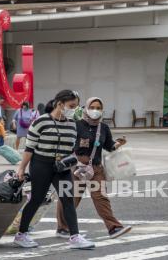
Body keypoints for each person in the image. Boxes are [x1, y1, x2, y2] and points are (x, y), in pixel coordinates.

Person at [14, 89, 95, 249]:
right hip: (41, 164)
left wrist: (75, 164)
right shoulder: (40, 122)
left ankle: (75, 237)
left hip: (62, 167)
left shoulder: (72, 125)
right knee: (36, 199)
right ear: (60, 104)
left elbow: (71, 149)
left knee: (68, 199)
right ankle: (21, 235)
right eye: (71, 106)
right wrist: (21, 168)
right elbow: (29, 149)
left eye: (76, 107)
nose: (73, 110)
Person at [56, 97, 132, 239]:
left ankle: (114, 228)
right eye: (92, 107)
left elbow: (109, 146)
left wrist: (118, 144)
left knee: (101, 198)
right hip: (76, 167)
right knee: (71, 198)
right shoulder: (76, 125)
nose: (95, 111)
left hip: (96, 169)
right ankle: (62, 227)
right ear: (86, 108)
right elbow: (66, 144)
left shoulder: (103, 127)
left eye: (98, 108)